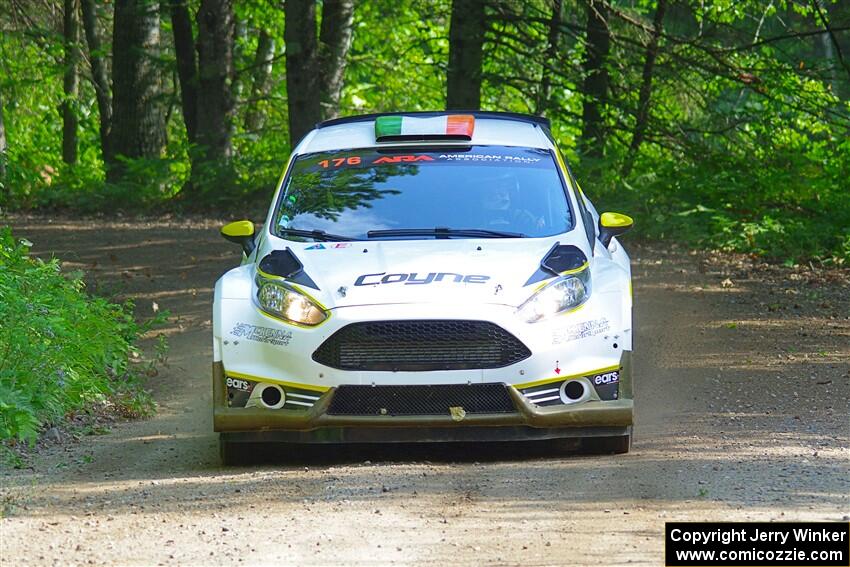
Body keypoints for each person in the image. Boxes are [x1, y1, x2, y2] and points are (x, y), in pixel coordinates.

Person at [478, 171, 545, 232]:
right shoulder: (473, 217)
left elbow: (538, 233)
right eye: (490, 188)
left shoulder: (523, 217)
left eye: (501, 186)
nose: (496, 192)